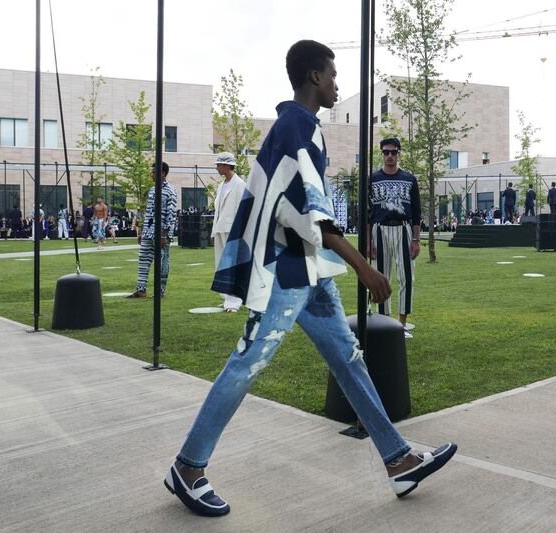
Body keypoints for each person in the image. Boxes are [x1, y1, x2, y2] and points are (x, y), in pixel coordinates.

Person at [164, 40, 456, 518]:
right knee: (247, 364)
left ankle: (398, 459)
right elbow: (310, 212)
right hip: (284, 270)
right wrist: (364, 266)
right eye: (334, 74)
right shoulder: (296, 125)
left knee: (348, 358)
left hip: (308, 269)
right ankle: (188, 467)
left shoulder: (301, 126)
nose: (338, 83)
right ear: (315, 77)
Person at [369, 137, 422, 338]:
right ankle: (384, 323)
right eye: (386, 152)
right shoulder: (373, 179)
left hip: (404, 230)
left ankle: (401, 324)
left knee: (407, 277)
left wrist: (416, 240)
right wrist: (368, 241)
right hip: (380, 229)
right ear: (381, 154)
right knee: (381, 278)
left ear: (399, 153)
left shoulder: (409, 179)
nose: (390, 156)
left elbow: (416, 212)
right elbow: (368, 213)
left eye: (393, 152)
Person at [126, 162, 177, 298]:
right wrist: (142, 231)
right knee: (143, 259)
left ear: (163, 174)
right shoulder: (152, 190)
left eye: (154, 172)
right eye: (152, 172)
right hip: (149, 231)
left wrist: (164, 235)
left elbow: (171, 215)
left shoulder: (170, 191)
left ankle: (160, 290)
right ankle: (141, 289)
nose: (152, 174)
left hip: (162, 233)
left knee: (162, 260)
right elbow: (148, 212)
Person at [211, 151, 246, 312]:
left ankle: (234, 302)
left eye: (219, 165)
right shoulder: (221, 185)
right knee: (221, 265)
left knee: (232, 265)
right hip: (220, 229)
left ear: (226, 165)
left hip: (233, 230)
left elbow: (243, 210)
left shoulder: (239, 184)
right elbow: (218, 210)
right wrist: (214, 231)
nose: (217, 168)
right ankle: (227, 299)